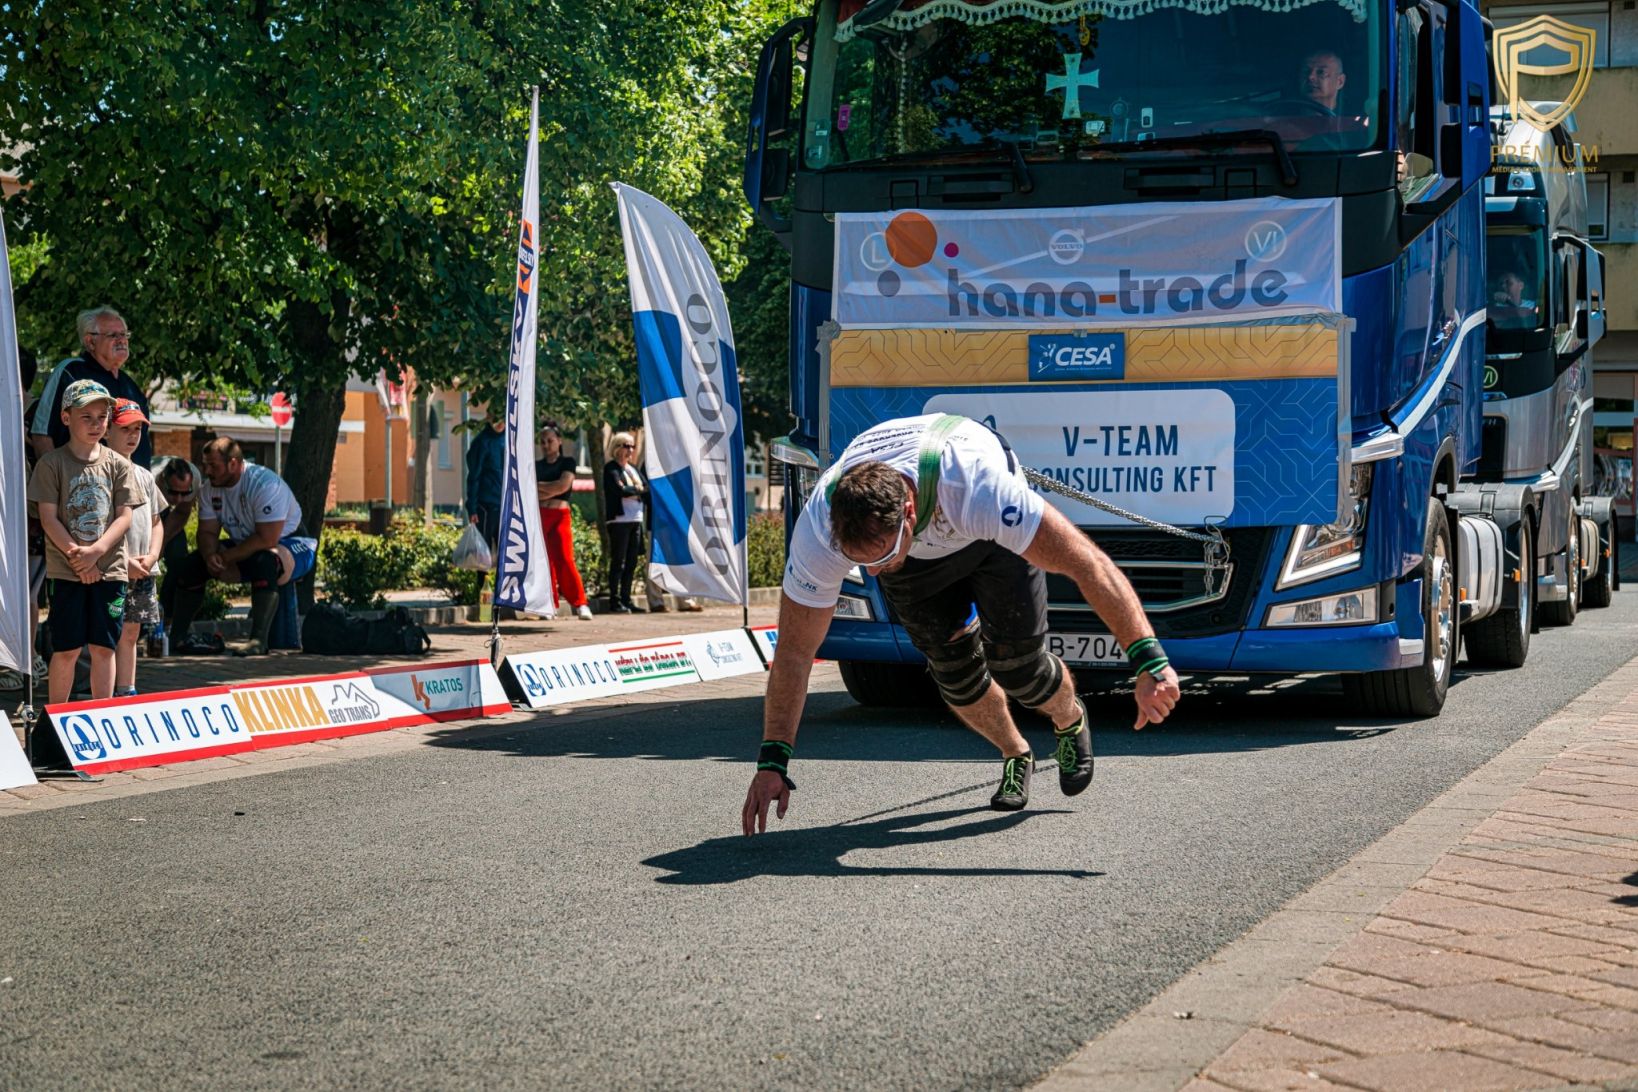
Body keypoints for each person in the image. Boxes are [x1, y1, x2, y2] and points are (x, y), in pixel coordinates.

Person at [741, 413, 1181, 834]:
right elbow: (795, 652)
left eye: (878, 556)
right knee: (954, 674)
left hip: (987, 537)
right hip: (914, 558)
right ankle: (1016, 752)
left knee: (1018, 667)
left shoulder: (978, 488)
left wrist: (1150, 661)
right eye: (859, 561)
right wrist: (772, 762)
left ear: (908, 512)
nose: (871, 572)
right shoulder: (821, 527)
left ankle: (1069, 718)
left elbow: (1088, 565)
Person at [25, 380, 141, 703]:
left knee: (104, 647)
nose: (95, 424)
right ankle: (56, 718)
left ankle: (103, 714)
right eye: (86, 417)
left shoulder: (118, 465)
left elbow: (124, 517)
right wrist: (80, 559)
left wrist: (96, 552)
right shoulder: (51, 464)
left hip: (110, 571)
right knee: (67, 648)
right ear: (66, 418)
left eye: (102, 417)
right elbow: (48, 519)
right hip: (66, 571)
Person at [168, 437, 317, 656]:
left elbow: (267, 539)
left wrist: (226, 558)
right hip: (247, 544)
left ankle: (258, 641)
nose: (207, 471)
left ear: (233, 463)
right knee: (192, 565)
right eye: (205, 465)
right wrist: (210, 556)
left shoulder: (264, 484)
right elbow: (207, 532)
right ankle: (177, 637)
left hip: (292, 542)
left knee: (266, 561)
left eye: (213, 466)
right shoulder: (209, 489)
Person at [31, 307, 153, 468]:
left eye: (124, 334)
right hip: (80, 480)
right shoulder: (71, 372)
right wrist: (55, 479)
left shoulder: (131, 386)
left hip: (131, 481)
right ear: (90, 341)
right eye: (113, 335)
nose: (122, 340)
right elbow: (41, 433)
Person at [106, 400, 166, 696]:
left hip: (143, 568)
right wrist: (123, 561)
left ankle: (126, 689)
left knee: (132, 631)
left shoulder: (145, 475)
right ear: (107, 430)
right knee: (106, 634)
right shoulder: (101, 472)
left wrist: (153, 555)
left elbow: (156, 522)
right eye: (124, 428)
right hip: (112, 569)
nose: (132, 435)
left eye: (138, 429)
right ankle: (101, 694)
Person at [535, 419, 594, 620]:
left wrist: (540, 486)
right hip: (540, 515)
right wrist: (552, 488)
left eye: (550, 440)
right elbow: (531, 491)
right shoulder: (536, 465)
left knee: (565, 559)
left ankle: (580, 603)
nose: (546, 445)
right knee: (544, 561)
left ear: (559, 441)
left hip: (560, 516)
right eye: (542, 441)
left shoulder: (568, 462)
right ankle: (549, 605)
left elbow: (563, 486)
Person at [464, 409, 515, 619]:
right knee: (483, 556)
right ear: (488, 417)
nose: (500, 423)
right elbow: (473, 476)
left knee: (506, 552)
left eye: (503, 419)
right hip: (485, 505)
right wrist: (472, 507)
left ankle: (504, 598)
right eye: (496, 419)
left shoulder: (509, 439)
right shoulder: (481, 442)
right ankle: (484, 600)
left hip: (505, 505)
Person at [602, 431, 646, 613]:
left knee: (631, 562)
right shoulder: (611, 468)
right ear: (617, 447)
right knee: (618, 561)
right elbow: (619, 490)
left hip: (636, 519)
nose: (631, 450)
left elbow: (646, 488)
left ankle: (627, 600)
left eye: (632, 446)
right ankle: (615, 601)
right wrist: (636, 490)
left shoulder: (632, 468)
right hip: (619, 520)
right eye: (626, 446)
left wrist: (633, 490)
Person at [153, 456, 199, 629]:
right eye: (173, 492)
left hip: (171, 516)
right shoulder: (149, 478)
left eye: (184, 493)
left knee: (179, 560)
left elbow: (181, 512)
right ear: (162, 481)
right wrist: (154, 550)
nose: (179, 498)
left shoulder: (195, 478)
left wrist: (163, 542)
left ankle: (168, 617)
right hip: (147, 512)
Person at [1297, 50, 1346, 114]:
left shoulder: (1351, 118)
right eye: (1306, 71)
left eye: (1321, 72)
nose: (1310, 77)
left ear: (1340, 81)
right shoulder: (1286, 116)